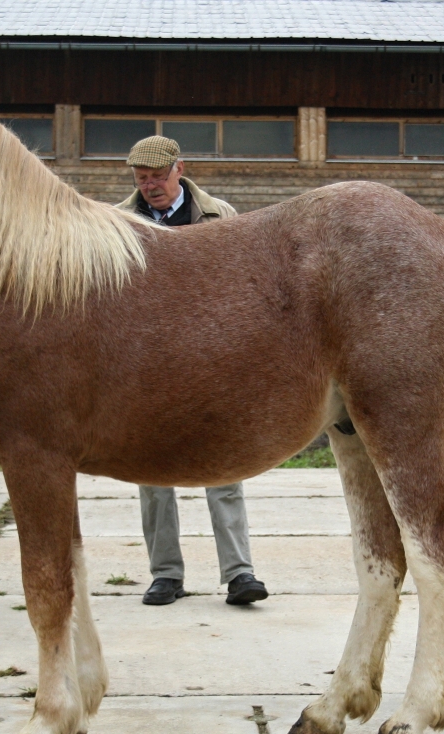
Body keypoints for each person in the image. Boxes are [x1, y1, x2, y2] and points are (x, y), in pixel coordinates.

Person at [115, 135, 268, 607]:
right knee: (152, 476)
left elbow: (246, 286)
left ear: (180, 169)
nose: (150, 186)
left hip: (210, 362)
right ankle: (165, 575)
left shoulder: (220, 215)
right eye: (141, 179)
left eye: (158, 177)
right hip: (145, 368)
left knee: (224, 469)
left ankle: (240, 573)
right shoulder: (118, 221)